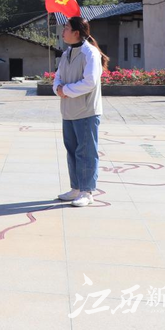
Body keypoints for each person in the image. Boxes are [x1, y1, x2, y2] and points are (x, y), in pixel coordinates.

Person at [53, 16, 108, 207]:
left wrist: (65, 90)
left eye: (66, 28)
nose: (63, 31)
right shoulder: (67, 53)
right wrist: (58, 88)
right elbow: (58, 76)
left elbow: (90, 82)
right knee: (72, 151)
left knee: (86, 152)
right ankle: (76, 188)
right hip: (68, 110)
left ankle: (87, 191)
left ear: (76, 33)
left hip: (86, 111)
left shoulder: (90, 53)